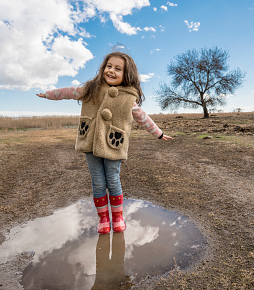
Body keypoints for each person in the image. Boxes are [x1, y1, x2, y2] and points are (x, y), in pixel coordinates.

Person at [37, 51, 172, 234]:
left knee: (113, 180)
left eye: (118, 69)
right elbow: (69, 92)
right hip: (91, 142)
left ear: (127, 74)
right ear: (103, 68)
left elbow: (143, 118)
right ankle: (103, 219)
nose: (111, 71)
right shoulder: (91, 89)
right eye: (109, 66)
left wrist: (159, 133)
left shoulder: (128, 98)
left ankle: (117, 217)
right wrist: (48, 94)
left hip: (113, 145)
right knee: (98, 182)